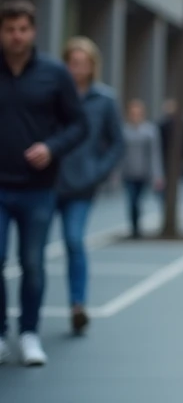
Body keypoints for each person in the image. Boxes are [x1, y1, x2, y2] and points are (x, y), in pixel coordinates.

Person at [0, 0, 86, 366]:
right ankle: (1, 332)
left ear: (33, 31)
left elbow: (79, 124)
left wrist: (52, 148)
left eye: (22, 29)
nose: (16, 36)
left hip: (38, 188)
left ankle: (30, 332)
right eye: (9, 30)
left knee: (32, 263)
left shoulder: (54, 72)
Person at [55, 37, 126, 337]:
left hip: (82, 185)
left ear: (93, 66)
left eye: (83, 63)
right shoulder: (53, 95)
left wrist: (97, 172)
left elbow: (116, 143)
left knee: (73, 240)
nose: (77, 68)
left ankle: (77, 305)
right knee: (30, 254)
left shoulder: (104, 100)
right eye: (73, 62)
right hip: (47, 181)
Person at [122, 99, 163, 238]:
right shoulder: (124, 130)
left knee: (139, 200)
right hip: (128, 172)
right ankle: (134, 228)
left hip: (144, 172)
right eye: (132, 113)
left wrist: (157, 174)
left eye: (137, 113)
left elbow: (154, 153)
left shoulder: (150, 130)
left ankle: (138, 225)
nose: (135, 115)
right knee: (132, 201)